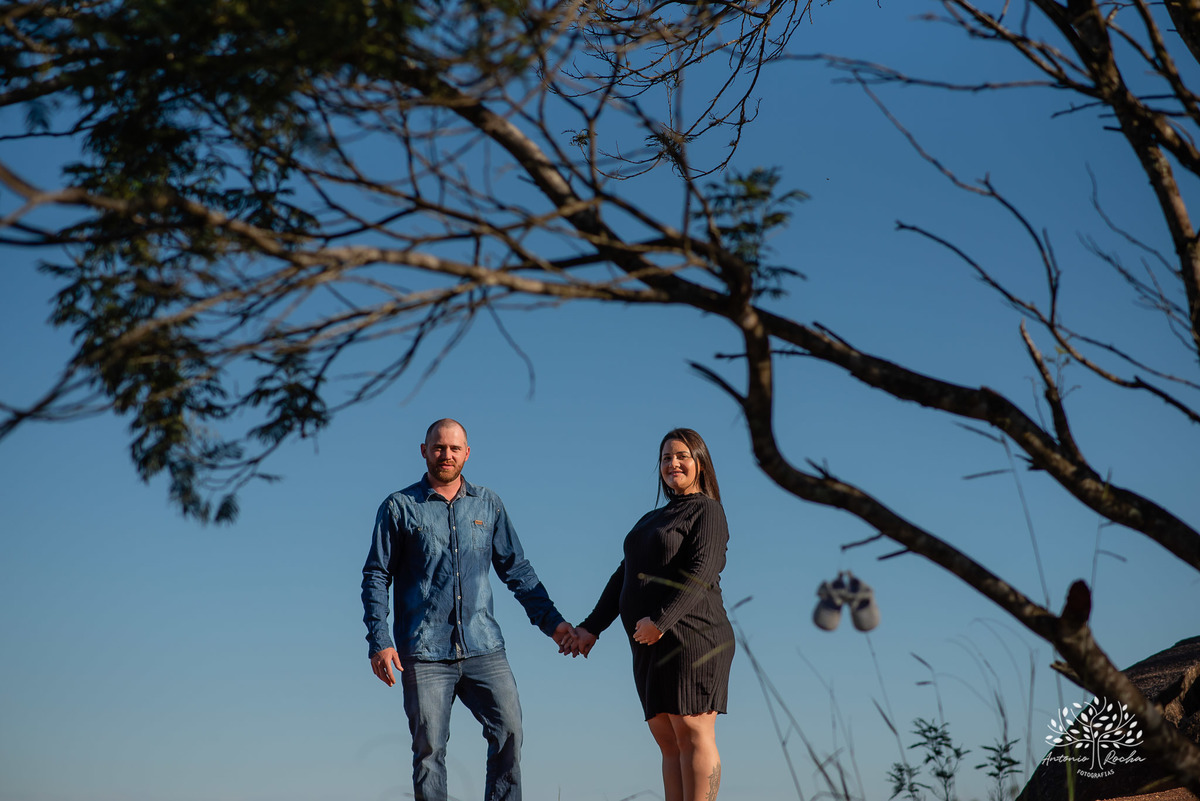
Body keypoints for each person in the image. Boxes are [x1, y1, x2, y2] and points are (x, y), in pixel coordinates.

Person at [360, 418, 577, 801]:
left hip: (484, 647)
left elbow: (518, 570)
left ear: (467, 453)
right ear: (424, 451)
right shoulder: (399, 507)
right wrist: (380, 639)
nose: (446, 454)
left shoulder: (488, 504)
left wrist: (554, 623)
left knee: (509, 733)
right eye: (439, 447)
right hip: (424, 651)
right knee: (429, 752)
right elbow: (376, 575)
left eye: (454, 448)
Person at [573, 428, 735, 801]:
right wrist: (590, 628)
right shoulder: (652, 518)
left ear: (700, 464)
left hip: (693, 637)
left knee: (694, 733)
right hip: (648, 642)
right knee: (668, 739)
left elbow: (702, 572)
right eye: (665, 458)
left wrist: (662, 621)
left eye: (681, 456)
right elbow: (623, 575)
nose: (672, 463)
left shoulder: (708, 511)